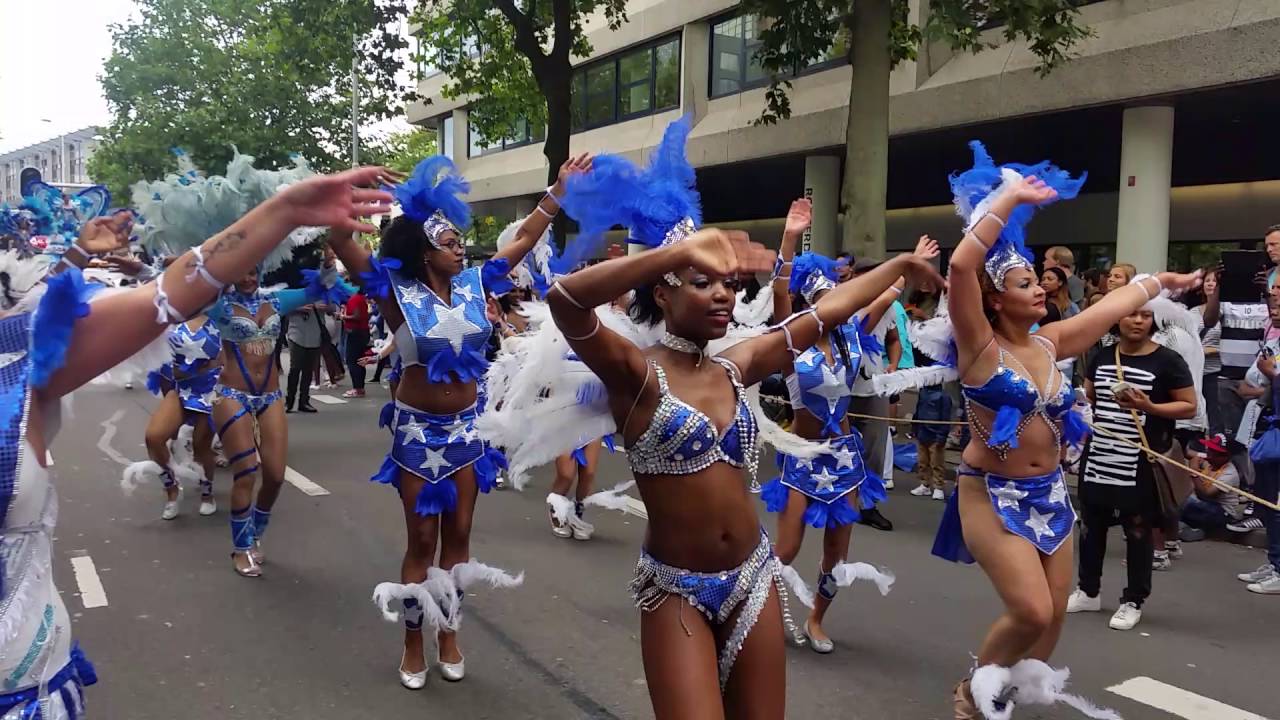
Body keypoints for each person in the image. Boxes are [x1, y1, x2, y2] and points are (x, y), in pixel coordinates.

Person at [538, 117, 942, 719]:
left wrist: (901, 265)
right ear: (663, 293)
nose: (724, 293)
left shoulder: (737, 366)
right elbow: (566, 300)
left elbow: (827, 311)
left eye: (728, 283)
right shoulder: (636, 373)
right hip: (675, 589)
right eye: (702, 282)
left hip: (752, 578)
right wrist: (679, 250)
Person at [0, 162, 393, 718]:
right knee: (199, 451)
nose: (250, 277)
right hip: (214, 391)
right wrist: (124, 264)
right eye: (245, 272)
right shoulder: (222, 307)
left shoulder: (14, 365)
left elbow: (168, 294)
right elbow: (171, 291)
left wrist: (297, 224)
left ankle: (246, 519)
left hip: (38, 683)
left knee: (273, 474)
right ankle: (220, 524)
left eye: (256, 270)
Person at [936, 141, 1199, 718]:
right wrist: (1009, 198)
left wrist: (1161, 282)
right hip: (991, 492)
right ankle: (973, 690)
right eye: (1024, 283)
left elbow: (1110, 309)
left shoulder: (1050, 344)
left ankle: (999, 692)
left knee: (1054, 617)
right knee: (1030, 610)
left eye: (1039, 280)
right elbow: (959, 267)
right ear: (994, 300)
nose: (1040, 288)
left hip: (1050, 492)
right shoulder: (979, 349)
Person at [332, 153, 581, 691]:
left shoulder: (476, 283)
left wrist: (557, 193)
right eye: (449, 243)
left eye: (458, 241)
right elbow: (344, 245)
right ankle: (412, 641)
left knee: (460, 536)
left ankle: (448, 631)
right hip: (417, 433)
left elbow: (523, 240)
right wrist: (345, 202)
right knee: (422, 541)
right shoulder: (396, 293)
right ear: (424, 252)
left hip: (468, 429)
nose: (459, 248)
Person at [763, 225, 936, 654]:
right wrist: (790, 239)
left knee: (837, 555)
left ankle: (816, 619)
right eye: (826, 299)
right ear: (809, 305)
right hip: (803, 456)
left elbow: (886, 292)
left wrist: (912, 261)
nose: (837, 304)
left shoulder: (853, 334)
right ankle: (756, 610)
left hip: (843, 458)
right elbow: (780, 289)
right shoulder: (791, 340)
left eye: (838, 296)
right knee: (787, 547)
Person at [1066, 306, 1197, 631]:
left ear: (1154, 321)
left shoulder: (1168, 361)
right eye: (1131, 314)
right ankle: (1088, 590)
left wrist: (1148, 406)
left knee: (1138, 530)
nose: (1138, 321)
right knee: (1090, 525)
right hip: (1099, 455)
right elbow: (1089, 396)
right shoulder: (1102, 356)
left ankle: (1133, 600)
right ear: (1118, 318)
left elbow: (1189, 406)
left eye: (1145, 315)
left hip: (1140, 459)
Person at [131, 315, 223, 519]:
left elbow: (233, 355)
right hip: (181, 388)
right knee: (154, 437)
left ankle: (207, 493)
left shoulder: (221, 313)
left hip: (212, 389)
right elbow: (161, 363)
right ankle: (171, 489)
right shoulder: (170, 314)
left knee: (201, 445)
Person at [1179, 434, 1243, 537]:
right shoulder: (1211, 461)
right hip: (1205, 506)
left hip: (1222, 513)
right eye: (1209, 449)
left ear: (1225, 456)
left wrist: (1194, 473)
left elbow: (1205, 494)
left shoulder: (1229, 473)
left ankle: (1186, 528)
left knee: (1186, 502)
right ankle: (1186, 527)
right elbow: (1187, 453)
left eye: (1214, 451)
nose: (1209, 453)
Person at [285, 302, 323, 413]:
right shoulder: (294, 294)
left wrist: (321, 307)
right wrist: (298, 308)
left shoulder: (321, 294)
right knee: (295, 368)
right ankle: (289, 401)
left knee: (308, 369)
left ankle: (304, 401)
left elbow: (332, 308)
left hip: (315, 334)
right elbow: (282, 309)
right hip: (296, 333)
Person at [341, 288, 371, 398]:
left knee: (352, 361)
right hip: (363, 331)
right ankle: (360, 388)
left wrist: (343, 317)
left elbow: (357, 316)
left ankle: (357, 388)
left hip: (355, 332)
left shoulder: (354, 299)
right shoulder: (361, 298)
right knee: (359, 361)